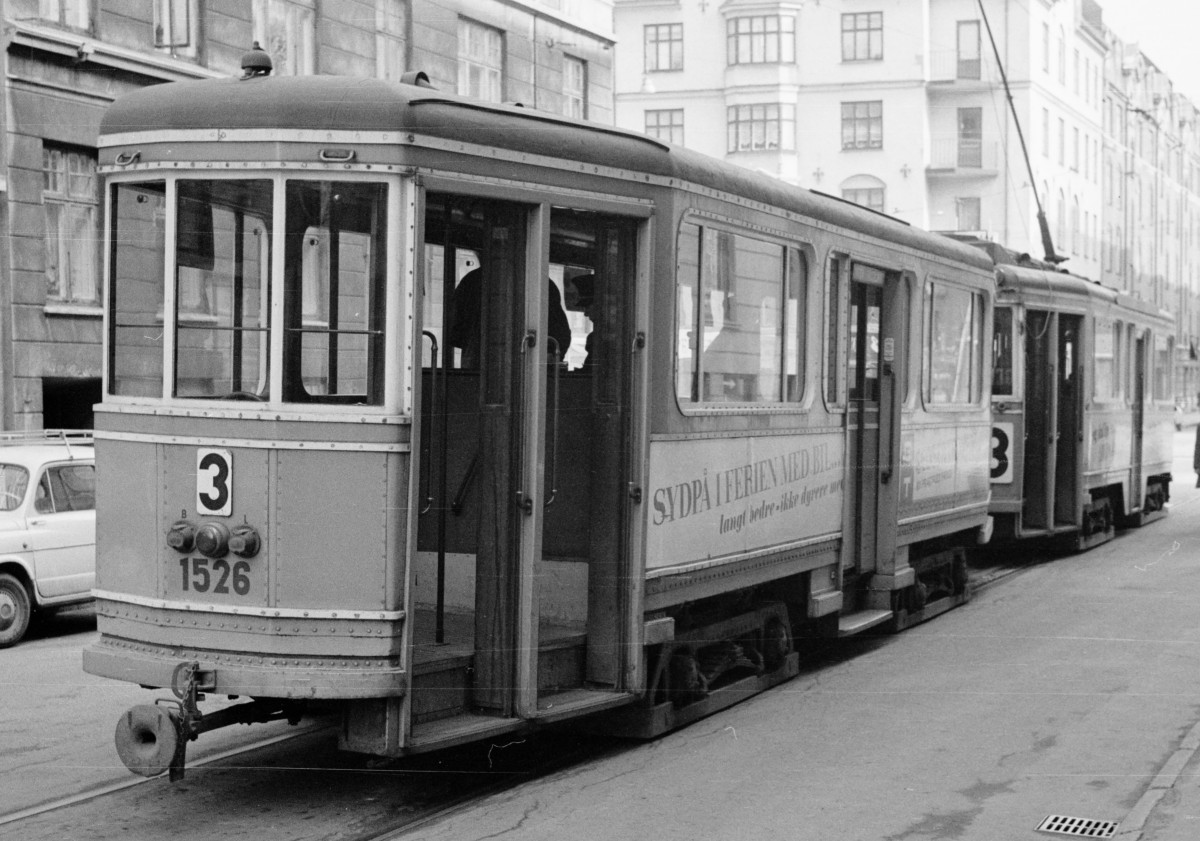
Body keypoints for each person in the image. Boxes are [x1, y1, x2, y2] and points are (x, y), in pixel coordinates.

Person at [447, 268, 571, 367]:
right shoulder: (541, 282)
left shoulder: (471, 280)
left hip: (476, 361)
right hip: (527, 365)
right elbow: (560, 332)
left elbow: (454, 330)